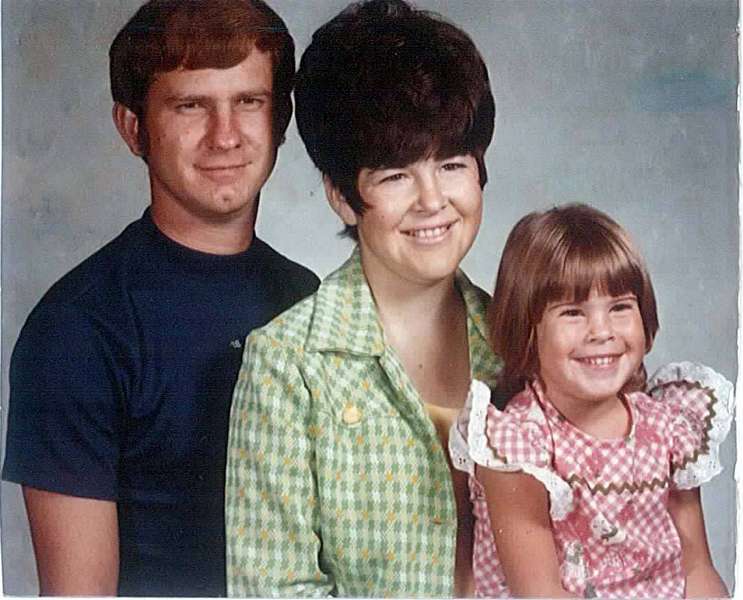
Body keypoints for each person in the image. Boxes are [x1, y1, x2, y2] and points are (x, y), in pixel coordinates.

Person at [2, 0, 318, 596]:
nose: (225, 136)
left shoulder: (307, 297)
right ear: (132, 128)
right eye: (190, 105)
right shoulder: (76, 329)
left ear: (280, 120)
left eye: (248, 102)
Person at [225, 0, 500, 596]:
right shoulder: (287, 366)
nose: (433, 201)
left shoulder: (522, 339)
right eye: (396, 175)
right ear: (342, 197)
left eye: (452, 164)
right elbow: (276, 589)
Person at [449, 204, 732, 598]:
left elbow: (697, 569)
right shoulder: (518, 446)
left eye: (620, 307)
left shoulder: (669, 428)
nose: (601, 331)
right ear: (528, 330)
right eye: (572, 313)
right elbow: (540, 592)